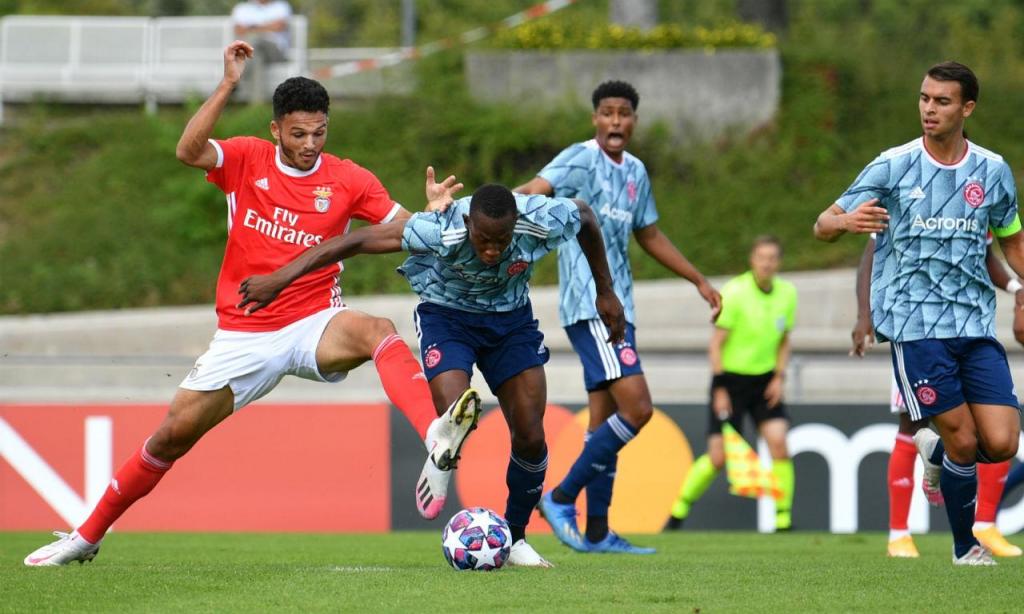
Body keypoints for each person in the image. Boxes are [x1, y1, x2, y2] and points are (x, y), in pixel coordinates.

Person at [23, 41, 479, 567]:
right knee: (170, 438)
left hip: (315, 321)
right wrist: (227, 85)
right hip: (244, 334)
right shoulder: (246, 159)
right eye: (299, 133)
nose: (310, 144)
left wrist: (432, 212)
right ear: (276, 130)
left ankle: (434, 435)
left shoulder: (349, 179)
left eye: (320, 132)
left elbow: (404, 230)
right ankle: (87, 535)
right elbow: (189, 152)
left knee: (378, 328)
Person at [236, 183, 627, 568]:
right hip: (448, 317)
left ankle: (516, 536)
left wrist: (605, 291)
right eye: (483, 239)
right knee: (455, 411)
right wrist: (280, 278)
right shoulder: (441, 227)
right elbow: (355, 242)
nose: (492, 250)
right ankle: (442, 451)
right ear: (469, 224)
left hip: (511, 324)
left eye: (501, 240)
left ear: (516, 226)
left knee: (530, 433)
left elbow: (587, 216)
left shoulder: (541, 218)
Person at [814, 61, 1024, 566]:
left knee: (999, 443)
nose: (930, 109)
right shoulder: (892, 165)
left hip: (974, 323)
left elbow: (1012, 239)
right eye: (925, 98)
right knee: (963, 440)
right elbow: (822, 223)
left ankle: (936, 456)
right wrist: (845, 221)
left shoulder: (991, 171)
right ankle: (964, 546)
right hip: (915, 327)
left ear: (967, 108)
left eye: (942, 101)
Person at [515, 80, 721, 554]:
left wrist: (698, 279)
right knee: (639, 409)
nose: (615, 121)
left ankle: (598, 531)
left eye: (623, 113)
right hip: (589, 307)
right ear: (595, 119)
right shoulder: (580, 158)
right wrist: (492, 207)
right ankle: (561, 497)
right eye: (606, 113)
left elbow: (649, 234)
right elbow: (533, 190)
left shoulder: (635, 172)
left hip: (619, 309)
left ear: (633, 120)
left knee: (603, 422)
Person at [852, 235, 1023, 558]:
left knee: (990, 427)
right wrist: (865, 314)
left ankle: (985, 523)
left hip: (968, 330)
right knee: (912, 424)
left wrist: (1016, 288)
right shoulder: (902, 190)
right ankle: (899, 534)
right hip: (916, 330)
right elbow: (870, 257)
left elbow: (986, 257)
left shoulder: (978, 195)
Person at [665, 236, 797, 531]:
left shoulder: (787, 294)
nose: (766, 263)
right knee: (718, 457)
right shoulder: (735, 293)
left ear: (779, 262)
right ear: (752, 260)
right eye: (761, 257)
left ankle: (783, 520)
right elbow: (716, 346)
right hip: (731, 382)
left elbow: (784, 340)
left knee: (779, 442)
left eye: (772, 258)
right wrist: (720, 388)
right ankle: (678, 511)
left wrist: (779, 376)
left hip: (764, 381)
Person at [231, 0, 293, 102]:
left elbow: (279, 26)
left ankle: (234, 79)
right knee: (257, 56)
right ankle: (257, 103)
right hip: (253, 52)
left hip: (276, 52)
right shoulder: (242, 8)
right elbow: (239, 30)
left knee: (255, 41)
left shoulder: (281, 6)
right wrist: (267, 27)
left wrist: (252, 28)